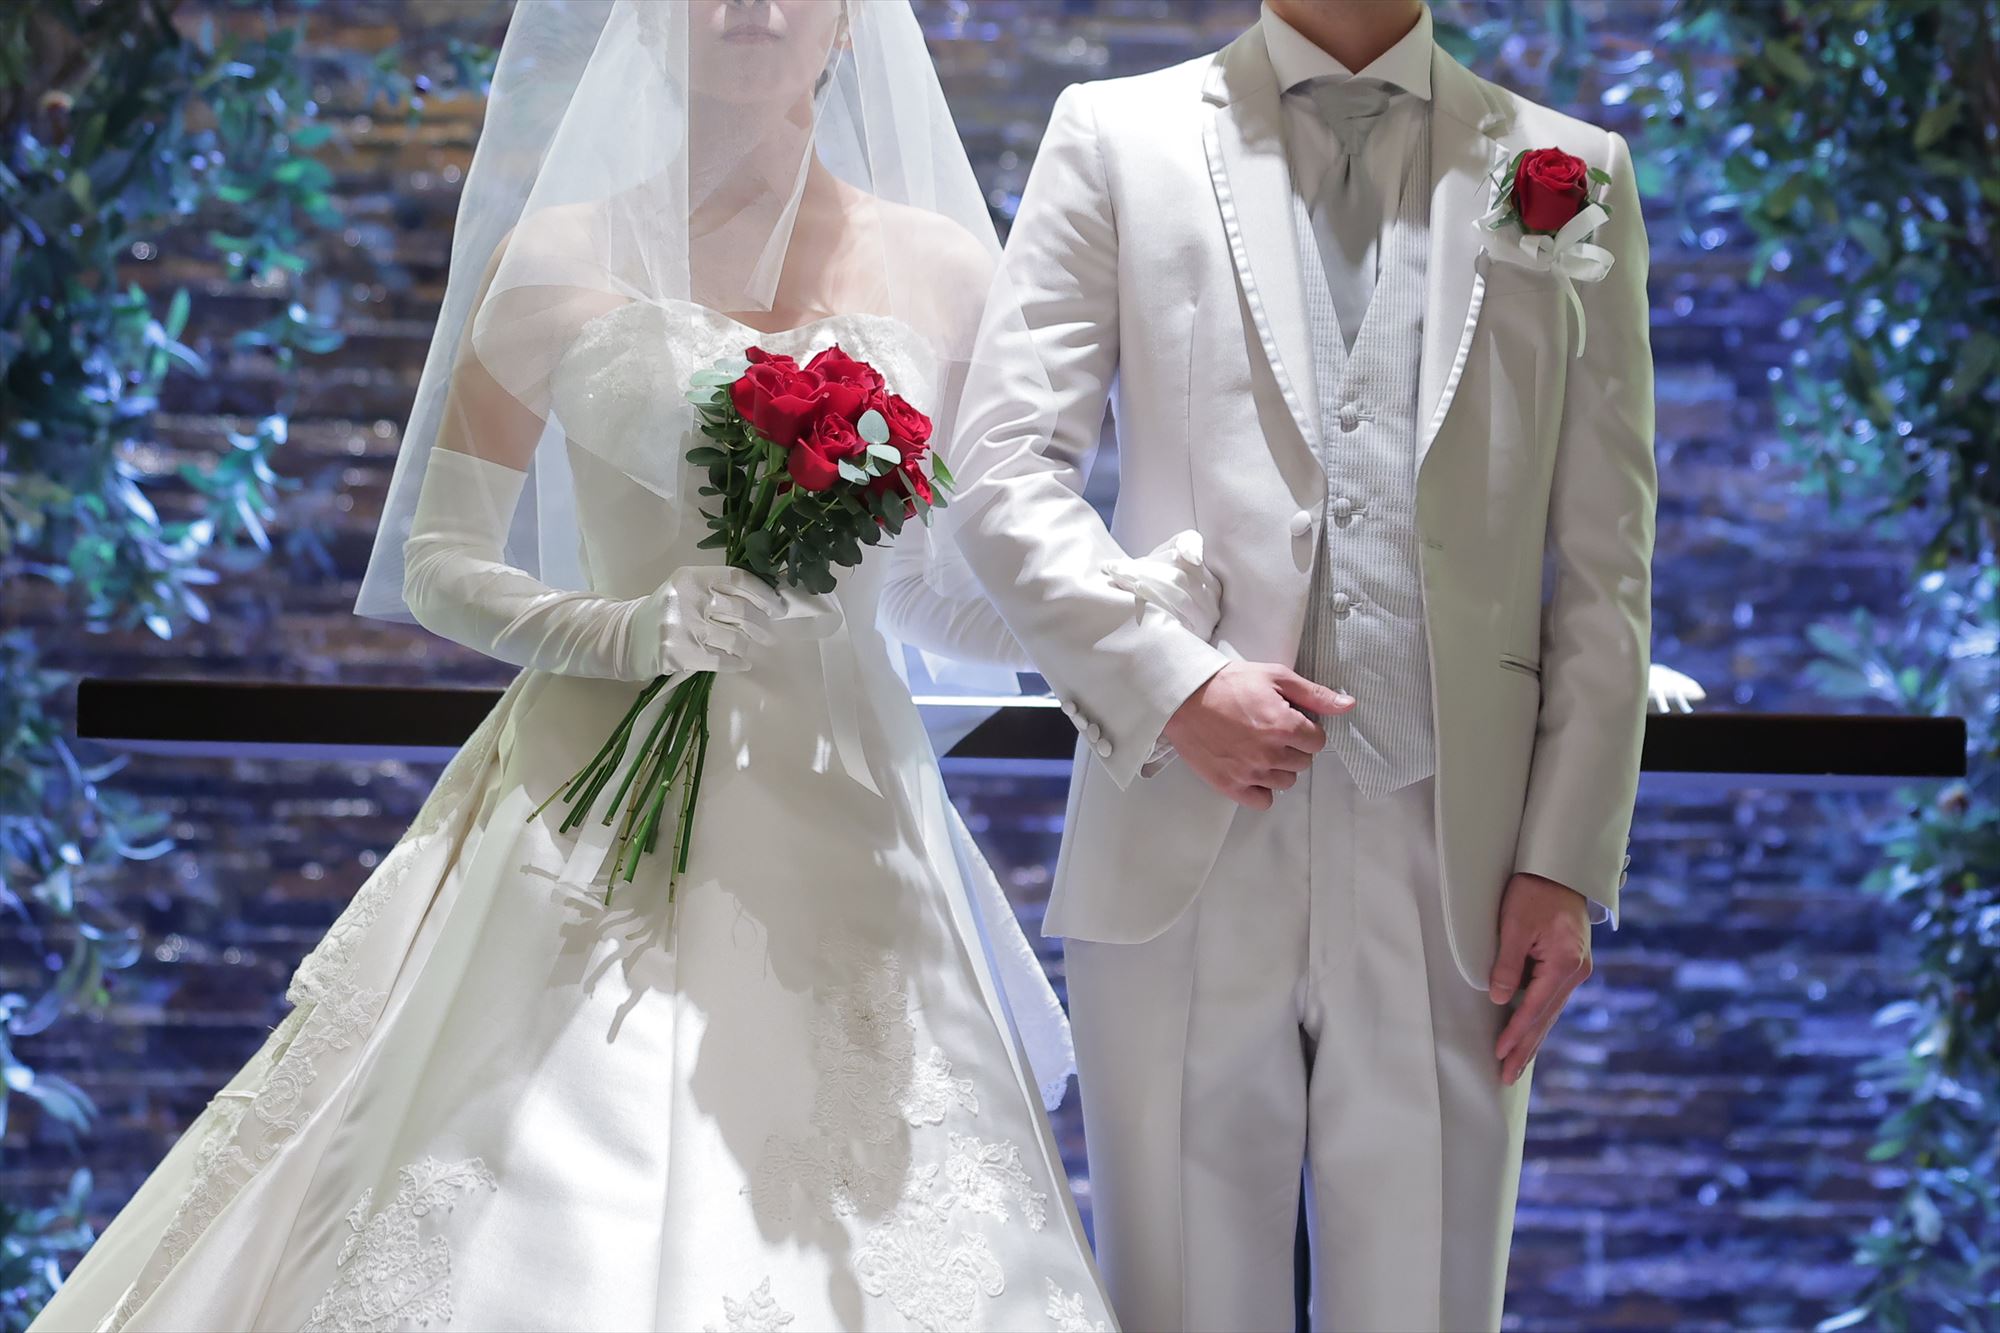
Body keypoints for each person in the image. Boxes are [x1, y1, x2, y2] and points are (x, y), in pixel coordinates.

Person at [32, 3, 1122, 1330]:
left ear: (846, 24)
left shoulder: (946, 271)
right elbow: (439, 560)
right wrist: (621, 631)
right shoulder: (557, 255)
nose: (754, 7)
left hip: (848, 796)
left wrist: (1119, 641)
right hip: (593, 786)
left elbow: (923, 590)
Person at [936, 1, 1658, 1328]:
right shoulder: (1117, 135)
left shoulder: (1573, 168)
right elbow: (997, 473)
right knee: (1180, 1302)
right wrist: (1168, 679)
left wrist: (1566, 860)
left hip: (1458, 856)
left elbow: (1608, 564)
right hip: (1183, 821)